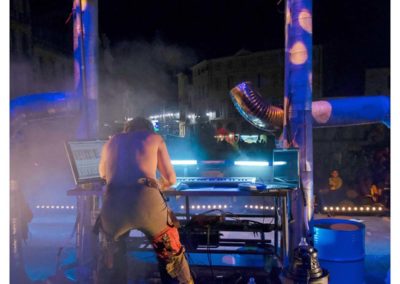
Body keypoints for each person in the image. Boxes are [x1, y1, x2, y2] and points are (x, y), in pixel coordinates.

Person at [96, 117, 193, 284]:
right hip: (147, 203)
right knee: (171, 256)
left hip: (113, 206)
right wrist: (158, 184)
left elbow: (103, 175)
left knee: (111, 257)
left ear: (127, 129)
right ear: (149, 129)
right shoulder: (154, 138)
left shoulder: (111, 141)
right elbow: (171, 178)